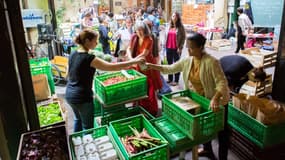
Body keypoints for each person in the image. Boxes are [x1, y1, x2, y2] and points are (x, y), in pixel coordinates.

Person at [146, 32, 230, 160]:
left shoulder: (212, 62)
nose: (188, 50)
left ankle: (223, 158)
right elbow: (171, 68)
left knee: (221, 132)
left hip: (215, 102)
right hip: (199, 100)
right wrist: (151, 66)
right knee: (204, 127)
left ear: (201, 47)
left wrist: (215, 97)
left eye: (191, 47)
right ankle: (208, 150)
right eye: (187, 46)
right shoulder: (188, 60)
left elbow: (222, 82)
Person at [65, 29, 144, 132]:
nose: (96, 43)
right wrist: (135, 61)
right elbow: (112, 67)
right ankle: (87, 146)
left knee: (78, 120)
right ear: (88, 41)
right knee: (87, 128)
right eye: (95, 41)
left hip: (70, 94)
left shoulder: (73, 53)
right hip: (82, 97)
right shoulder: (89, 58)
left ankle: (76, 144)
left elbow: (67, 74)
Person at [126, 21, 162, 116]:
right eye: (137, 30)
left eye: (141, 30)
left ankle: (151, 111)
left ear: (145, 30)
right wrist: (131, 59)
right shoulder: (134, 37)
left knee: (149, 87)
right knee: (138, 86)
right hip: (136, 64)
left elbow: (144, 54)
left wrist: (132, 61)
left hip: (147, 65)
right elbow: (128, 49)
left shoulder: (149, 39)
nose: (139, 32)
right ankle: (138, 107)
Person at [162, 12, 186, 86]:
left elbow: (183, 38)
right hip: (168, 47)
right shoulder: (168, 26)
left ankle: (176, 80)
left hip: (176, 48)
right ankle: (170, 79)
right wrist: (163, 45)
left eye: (176, 16)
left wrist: (180, 47)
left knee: (176, 64)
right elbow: (165, 36)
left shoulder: (180, 27)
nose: (174, 17)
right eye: (173, 16)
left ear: (178, 18)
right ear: (171, 17)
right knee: (169, 64)